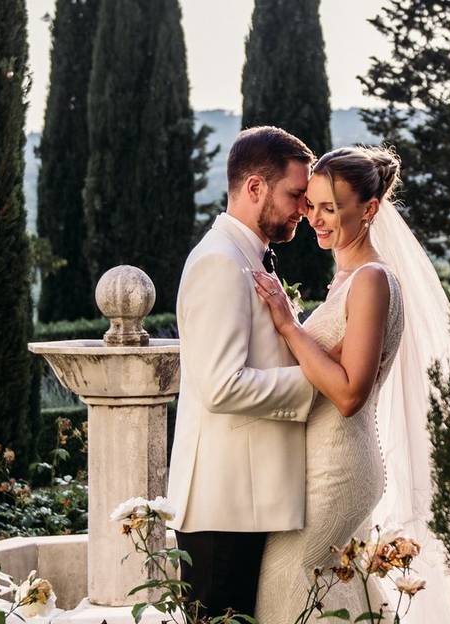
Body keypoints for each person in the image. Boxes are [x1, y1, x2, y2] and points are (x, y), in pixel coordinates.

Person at [252, 146, 450, 623]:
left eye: (332, 208)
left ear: (369, 209)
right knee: (326, 586)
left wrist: (289, 325)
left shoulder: (372, 280)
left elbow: (349, 394)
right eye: (312, 204)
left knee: (287, 580)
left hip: (340, 465)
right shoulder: (347, 279)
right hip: (319, 461)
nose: (316, 219)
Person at [165, 126, 319, 618]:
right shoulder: (220, 263)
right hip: (222, 504)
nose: (303, 208)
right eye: (295, 195)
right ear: (255, 188)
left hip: (243, 501)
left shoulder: (248, 257)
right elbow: (219, 385)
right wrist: (317, 382)